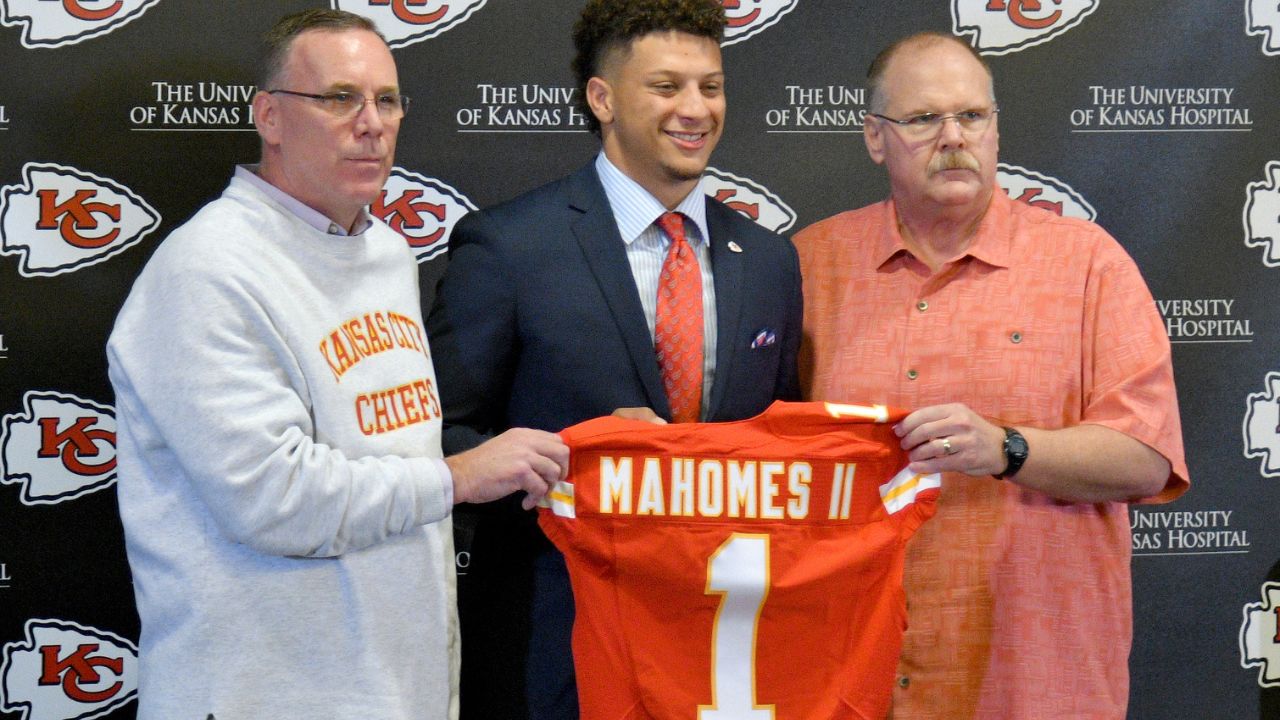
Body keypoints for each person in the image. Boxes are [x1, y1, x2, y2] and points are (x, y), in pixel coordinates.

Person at [106, 10, 567, 720]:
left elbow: (388, 450)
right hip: (262, 697)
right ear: (269, 117)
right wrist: (458, 478)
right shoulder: (207, 270)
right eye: (339, 98)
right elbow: (275, 498)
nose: (372, 122)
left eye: (387, 100)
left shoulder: (382, 251)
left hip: (393, 690)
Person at [793, 32, 1189, 719]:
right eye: (922, 120)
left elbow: (1148, 460)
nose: (953, 137)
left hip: (1034, 681)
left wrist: (1008, 448)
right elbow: (742, 456)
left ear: (996, 129)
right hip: (853, 680)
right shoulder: (806, 265)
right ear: (874, 138)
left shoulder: (1089, 264)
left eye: (972, 117)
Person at [424, 1, 802, 717]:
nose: (695, 109)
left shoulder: (772, 262)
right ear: (603, 98)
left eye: (711, 86)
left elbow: (783, 439)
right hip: (554, 650)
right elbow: (434, 438)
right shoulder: (508, 248)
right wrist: (580, 456)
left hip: (719, 658)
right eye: (666, 86)